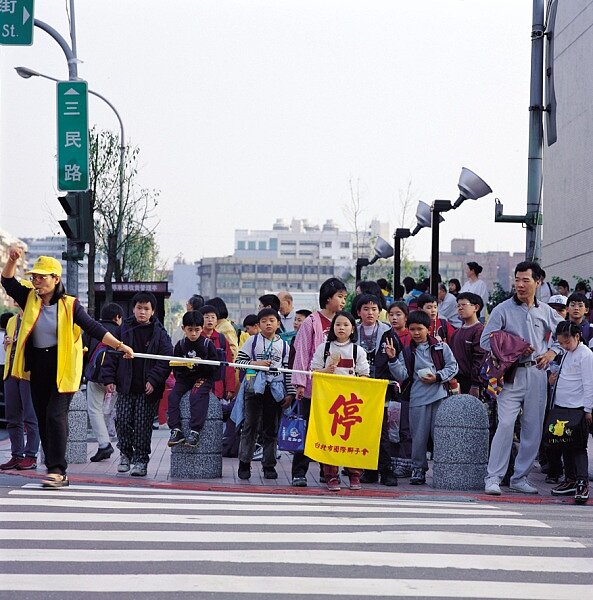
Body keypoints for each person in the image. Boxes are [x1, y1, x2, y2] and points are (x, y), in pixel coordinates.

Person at [1, 249, 133, 488]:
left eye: (42, 277)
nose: (36, 281)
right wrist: (11, 260)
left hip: (63, 369)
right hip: (37, 366)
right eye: (34, 277)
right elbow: (7, 281)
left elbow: (94, 328)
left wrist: (120, 345)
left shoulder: (70, 305)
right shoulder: (29, 298)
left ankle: (58, 470)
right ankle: (54, 469)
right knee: (43, 418)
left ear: (56, 279)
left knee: (55, 415)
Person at [482, 261, 564, 496]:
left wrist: (552, 352)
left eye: (525, 280)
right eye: (517, 280)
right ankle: (493, 477)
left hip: (537, 374)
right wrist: (514, 347)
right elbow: (485, 341)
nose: (519, 285)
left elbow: (566, 333)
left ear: (538, 282)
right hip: (510, 374)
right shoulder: (502, 309)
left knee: (533, 428)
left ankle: (519, 477)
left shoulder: (546, 311)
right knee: (505, 424)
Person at [101, 291, 171, 478]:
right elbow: (111, 355)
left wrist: (154, 380)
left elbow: (165, 360)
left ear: (153, 311)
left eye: (146, 309)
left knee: (142, 426)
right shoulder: (122, 330)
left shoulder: (160, 333)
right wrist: (109, 379)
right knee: (122, 421)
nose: (142, 312)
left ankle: (141, 460)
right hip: (125, 386)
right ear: (133, 309)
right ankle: (125, 455)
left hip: (147, 390)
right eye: (139, 308)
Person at [389, 310, 458, 485]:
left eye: (420, 329)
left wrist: (438, 377)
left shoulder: (441, 347)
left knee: (440, 435)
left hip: (440, 396)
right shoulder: (407, 352)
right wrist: (392, 359)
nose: (416, 333)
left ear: (428, 329)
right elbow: (402, 374)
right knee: (418, 437)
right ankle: (418, 468)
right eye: (412, 329)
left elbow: (453, 366)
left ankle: (444, 469)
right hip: (417, 398)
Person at [290, 277, 348, 487]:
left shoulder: (344, 321)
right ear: (328, 298)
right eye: (340, 296)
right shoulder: (311, 321)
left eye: (345, 297)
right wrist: (300, 382)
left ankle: (328, 470)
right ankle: (299, 472)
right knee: (307, 429)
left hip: (335, 387)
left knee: (331, 430)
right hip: (313, 385)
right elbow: (302, 352)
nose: (343, 301)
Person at [310, 311, 370, 491]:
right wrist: (325, 371)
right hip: (329, 402)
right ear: (332, 328)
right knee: (330, 438)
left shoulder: (357, 351)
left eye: (345, 325)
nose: (341, 328)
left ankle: (354, 475)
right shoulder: (324, 348)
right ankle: (331, 476)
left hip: (352, 403)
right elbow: (313, 372)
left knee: (353, 439)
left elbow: (365, 375)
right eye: (337, 324)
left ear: (353, 329)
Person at [235, 308, 294, 480]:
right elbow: (238, 362)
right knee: (250, 426)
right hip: (253, 389)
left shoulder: (284, 345)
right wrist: (256, 363)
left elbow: (288, 371)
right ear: (259, 324)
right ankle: (244, 463)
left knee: (271, 429)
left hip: (275, 392)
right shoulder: (252, 341)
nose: (268, 324)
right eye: (264, 321)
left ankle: (269, 465)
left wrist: (290, 394)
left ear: (278, 323)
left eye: (272, 320)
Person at [355, 294, 399, 486]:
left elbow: (396, 360)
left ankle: (386, 470)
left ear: (380, 311)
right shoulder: (351, 330)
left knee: (382, 431)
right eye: (366, 309)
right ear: (359, 312)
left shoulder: (388, 332)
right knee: (362, 430)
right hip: (358, 389)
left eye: (374, 309)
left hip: (381, 388)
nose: (370, 313)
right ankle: (369, 470)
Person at [547, 321, 593, 503]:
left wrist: (588, 409)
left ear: (577, 336)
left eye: (567, 342)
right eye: (561, 343)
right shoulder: (567, 353)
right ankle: (570, 479)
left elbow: (589, 383)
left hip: (578, 408)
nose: (565, 346)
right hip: (562, 406)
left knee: (579, 447)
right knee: (564, 443)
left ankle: (582, 481)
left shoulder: (586, 355)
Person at [167, 311, 218, 448]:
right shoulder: (180, 345)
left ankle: (195, 431)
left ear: (202, 328)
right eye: (190, 330)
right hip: (185, 379)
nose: (193, 333)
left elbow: (215, 367)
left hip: (203, 378)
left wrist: (202, 363)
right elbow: (175, 367)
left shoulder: (207, 344)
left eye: (197, 330)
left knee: (196, 396)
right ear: (183, 328)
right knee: (172, 396)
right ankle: (176, 430)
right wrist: (184, 366)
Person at [0, 300, 40, 471]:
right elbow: (7, 347)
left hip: (27, 373)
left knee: (30, 417)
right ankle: (17, 455)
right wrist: (7, 343)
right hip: (10, 372)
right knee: (12, 417)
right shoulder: (11, 320)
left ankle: (31, 455)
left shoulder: (36, 318)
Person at [85, 302, 123, 462]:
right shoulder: (121, 331)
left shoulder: (93, 329)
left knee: (95, 410)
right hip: (115, 379)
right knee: (113, 410)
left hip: (95, 376)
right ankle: (120, 447)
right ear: (117, 317)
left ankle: (104, 444)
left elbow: (84, 351)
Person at [449, 292, 486, 396]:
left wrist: (475, 384)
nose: (460, 308)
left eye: (464, 305)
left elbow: (479, 359)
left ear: (476, 308)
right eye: (458, 306)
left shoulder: (480, 331)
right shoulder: (456, 333)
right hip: (456, 382)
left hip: (472, 383)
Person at [199, 304, 236, 401]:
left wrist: (230, 387)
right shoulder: (196, 338)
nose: (210, 320)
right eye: (206, 317)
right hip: (199, 385)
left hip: (218, 387)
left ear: (217, 321)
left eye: (213, 317)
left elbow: (229, 364)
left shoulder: (222, 339)